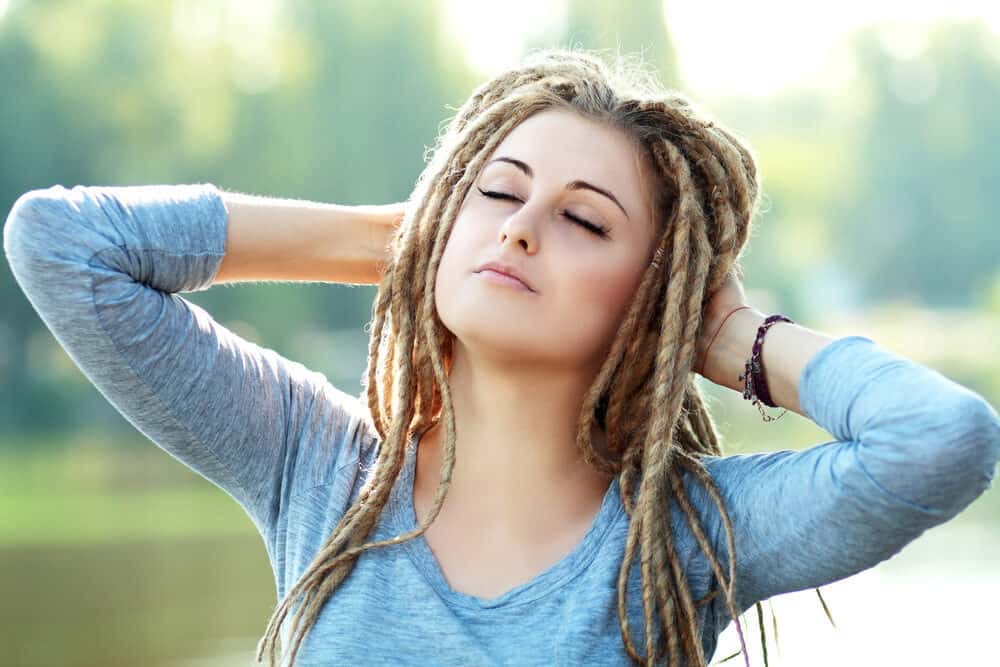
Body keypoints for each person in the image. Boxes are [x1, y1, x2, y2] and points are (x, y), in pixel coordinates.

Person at [3, 47, 998, 667]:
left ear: (648, 295)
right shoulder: (318, 467)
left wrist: (726, 335)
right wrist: (397, 237)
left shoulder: (689, 533)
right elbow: (61, 245)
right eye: (496, 191)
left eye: (581, 219)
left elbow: (940, 439)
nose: (519, 229)